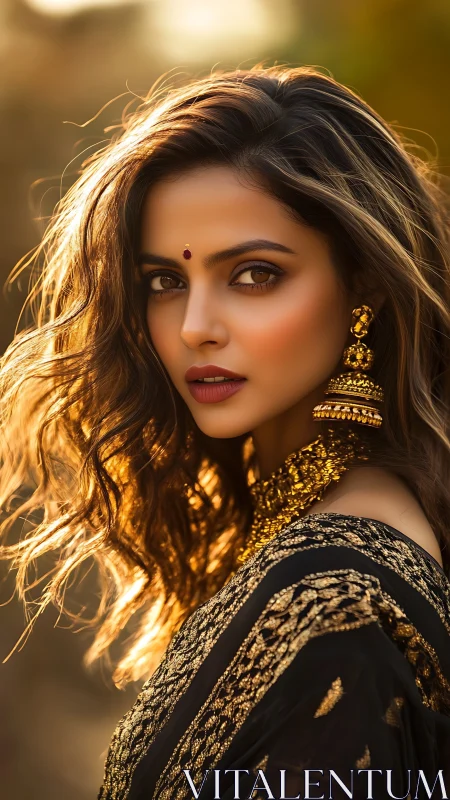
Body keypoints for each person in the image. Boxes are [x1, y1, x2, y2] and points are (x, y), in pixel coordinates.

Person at [1, 64, 450, 799]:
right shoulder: (320, 524)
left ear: (363, 283)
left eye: (253, 275)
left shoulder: (338, 598)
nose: (194, 328)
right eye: (164, 282)